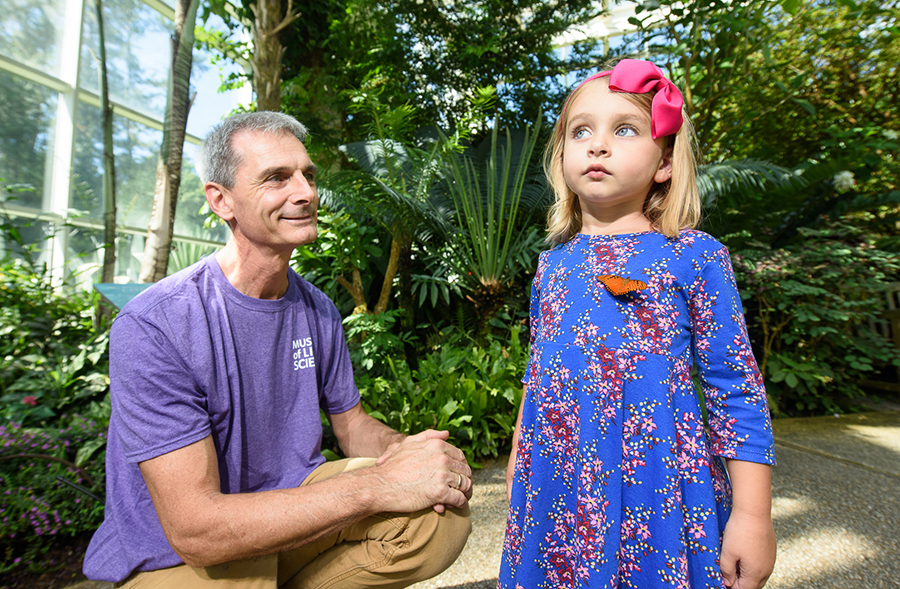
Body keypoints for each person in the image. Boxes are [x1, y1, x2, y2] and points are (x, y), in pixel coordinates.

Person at [83, 111, 472, 588]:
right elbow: (196, 530)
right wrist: (377, 485)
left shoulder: (317, 308)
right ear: (221, 201)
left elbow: (352, 427)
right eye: (277, 178)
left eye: (307, 175)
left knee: (437, 519)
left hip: (290, 512)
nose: (306, 192)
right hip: (179, 556)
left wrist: (408, 454)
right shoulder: (155, 325)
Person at [499, 59, 776, 589]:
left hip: (661, 487)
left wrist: (752, 516)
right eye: (581, 131)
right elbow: (539, 370)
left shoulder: (692, 256)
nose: (598, 145)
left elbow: (736, 388)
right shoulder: (551, 265)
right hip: (559, 483)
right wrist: (519, 457)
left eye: (624, 129)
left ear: (665, 162)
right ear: (561, 157)